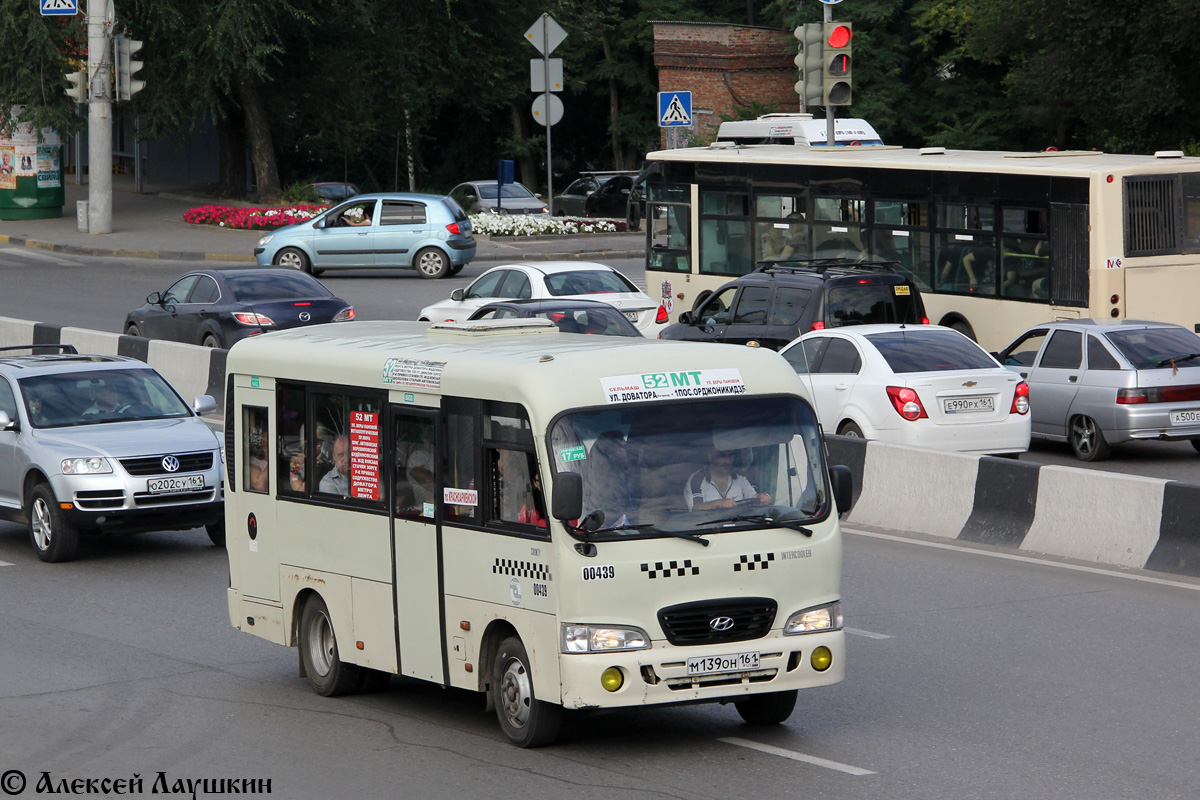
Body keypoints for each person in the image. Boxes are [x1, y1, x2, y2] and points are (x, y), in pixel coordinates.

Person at [685, 447, 771, 511]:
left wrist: (763, 497)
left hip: (741, 528)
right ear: (710, 457)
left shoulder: (741, 476)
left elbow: (754, 497)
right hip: (708, 530)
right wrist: (719, 503)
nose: (727, 461)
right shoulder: (697, 480)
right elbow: (695, 508)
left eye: (730, 456)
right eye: (722, 456)